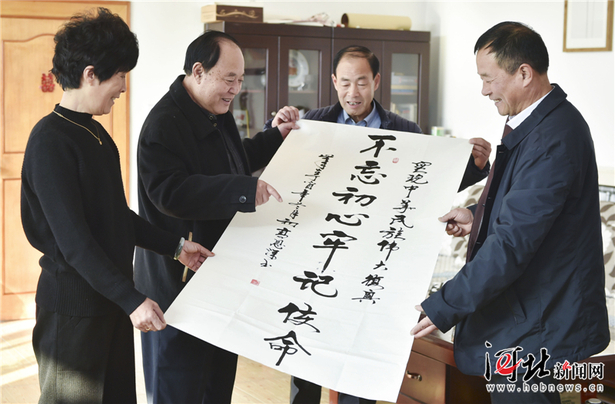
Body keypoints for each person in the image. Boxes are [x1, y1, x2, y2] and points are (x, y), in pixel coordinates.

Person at [268, 45, 492, 404]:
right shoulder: (313, 125)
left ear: (376, 81)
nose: (352, 92)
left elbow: (429, 185)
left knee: (357, 356)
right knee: (305, 351)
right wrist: (275, 130)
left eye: (361, 82)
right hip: (319, 255)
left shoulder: (405, 130)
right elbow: (283, 172)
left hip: (368, 261)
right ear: (333, 82)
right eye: (345, 83)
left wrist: (474, 166)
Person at [20, 8, 213, 404]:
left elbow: (115, 217)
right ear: (90, 74)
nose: (123, 87)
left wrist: (176, 247)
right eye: (120, 75)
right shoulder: (50, 141)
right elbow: (75, 242)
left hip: (110, 300)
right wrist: (131, 298)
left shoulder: (96, 134)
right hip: (72, 312)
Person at [411, 22, 610, 404]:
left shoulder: (555, 136)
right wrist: (478, 216)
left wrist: (444, 305)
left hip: (539, 320)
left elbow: (513, 243)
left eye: (488, 79)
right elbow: (525, 206)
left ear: (524, 73)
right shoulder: (536, 124)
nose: (484, 90)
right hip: (527, 313)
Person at [134, 31, 298, 404]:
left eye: (240, 80)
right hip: (179, 285)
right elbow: (170, 193)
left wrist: (275, 137)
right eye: (229, 79)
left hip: (221, 278)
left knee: (217, 387)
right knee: (179, 389)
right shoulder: (163, 124)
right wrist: (242, 189)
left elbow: (233, 160)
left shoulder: (213, 111)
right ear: (198, 71)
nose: (235, 89)